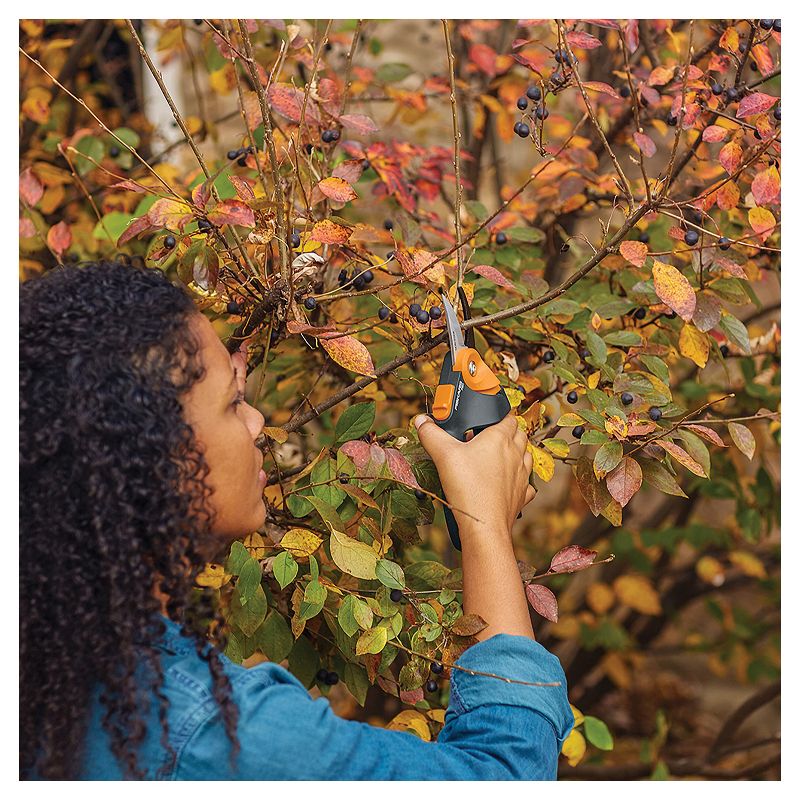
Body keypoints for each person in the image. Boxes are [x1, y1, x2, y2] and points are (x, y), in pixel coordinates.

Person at [20, 258, 573, 780]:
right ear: (143, 457)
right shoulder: (221, 737)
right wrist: (483, 523)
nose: (258, 421)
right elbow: (505, 773)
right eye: (233, 403)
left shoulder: (44, 658)